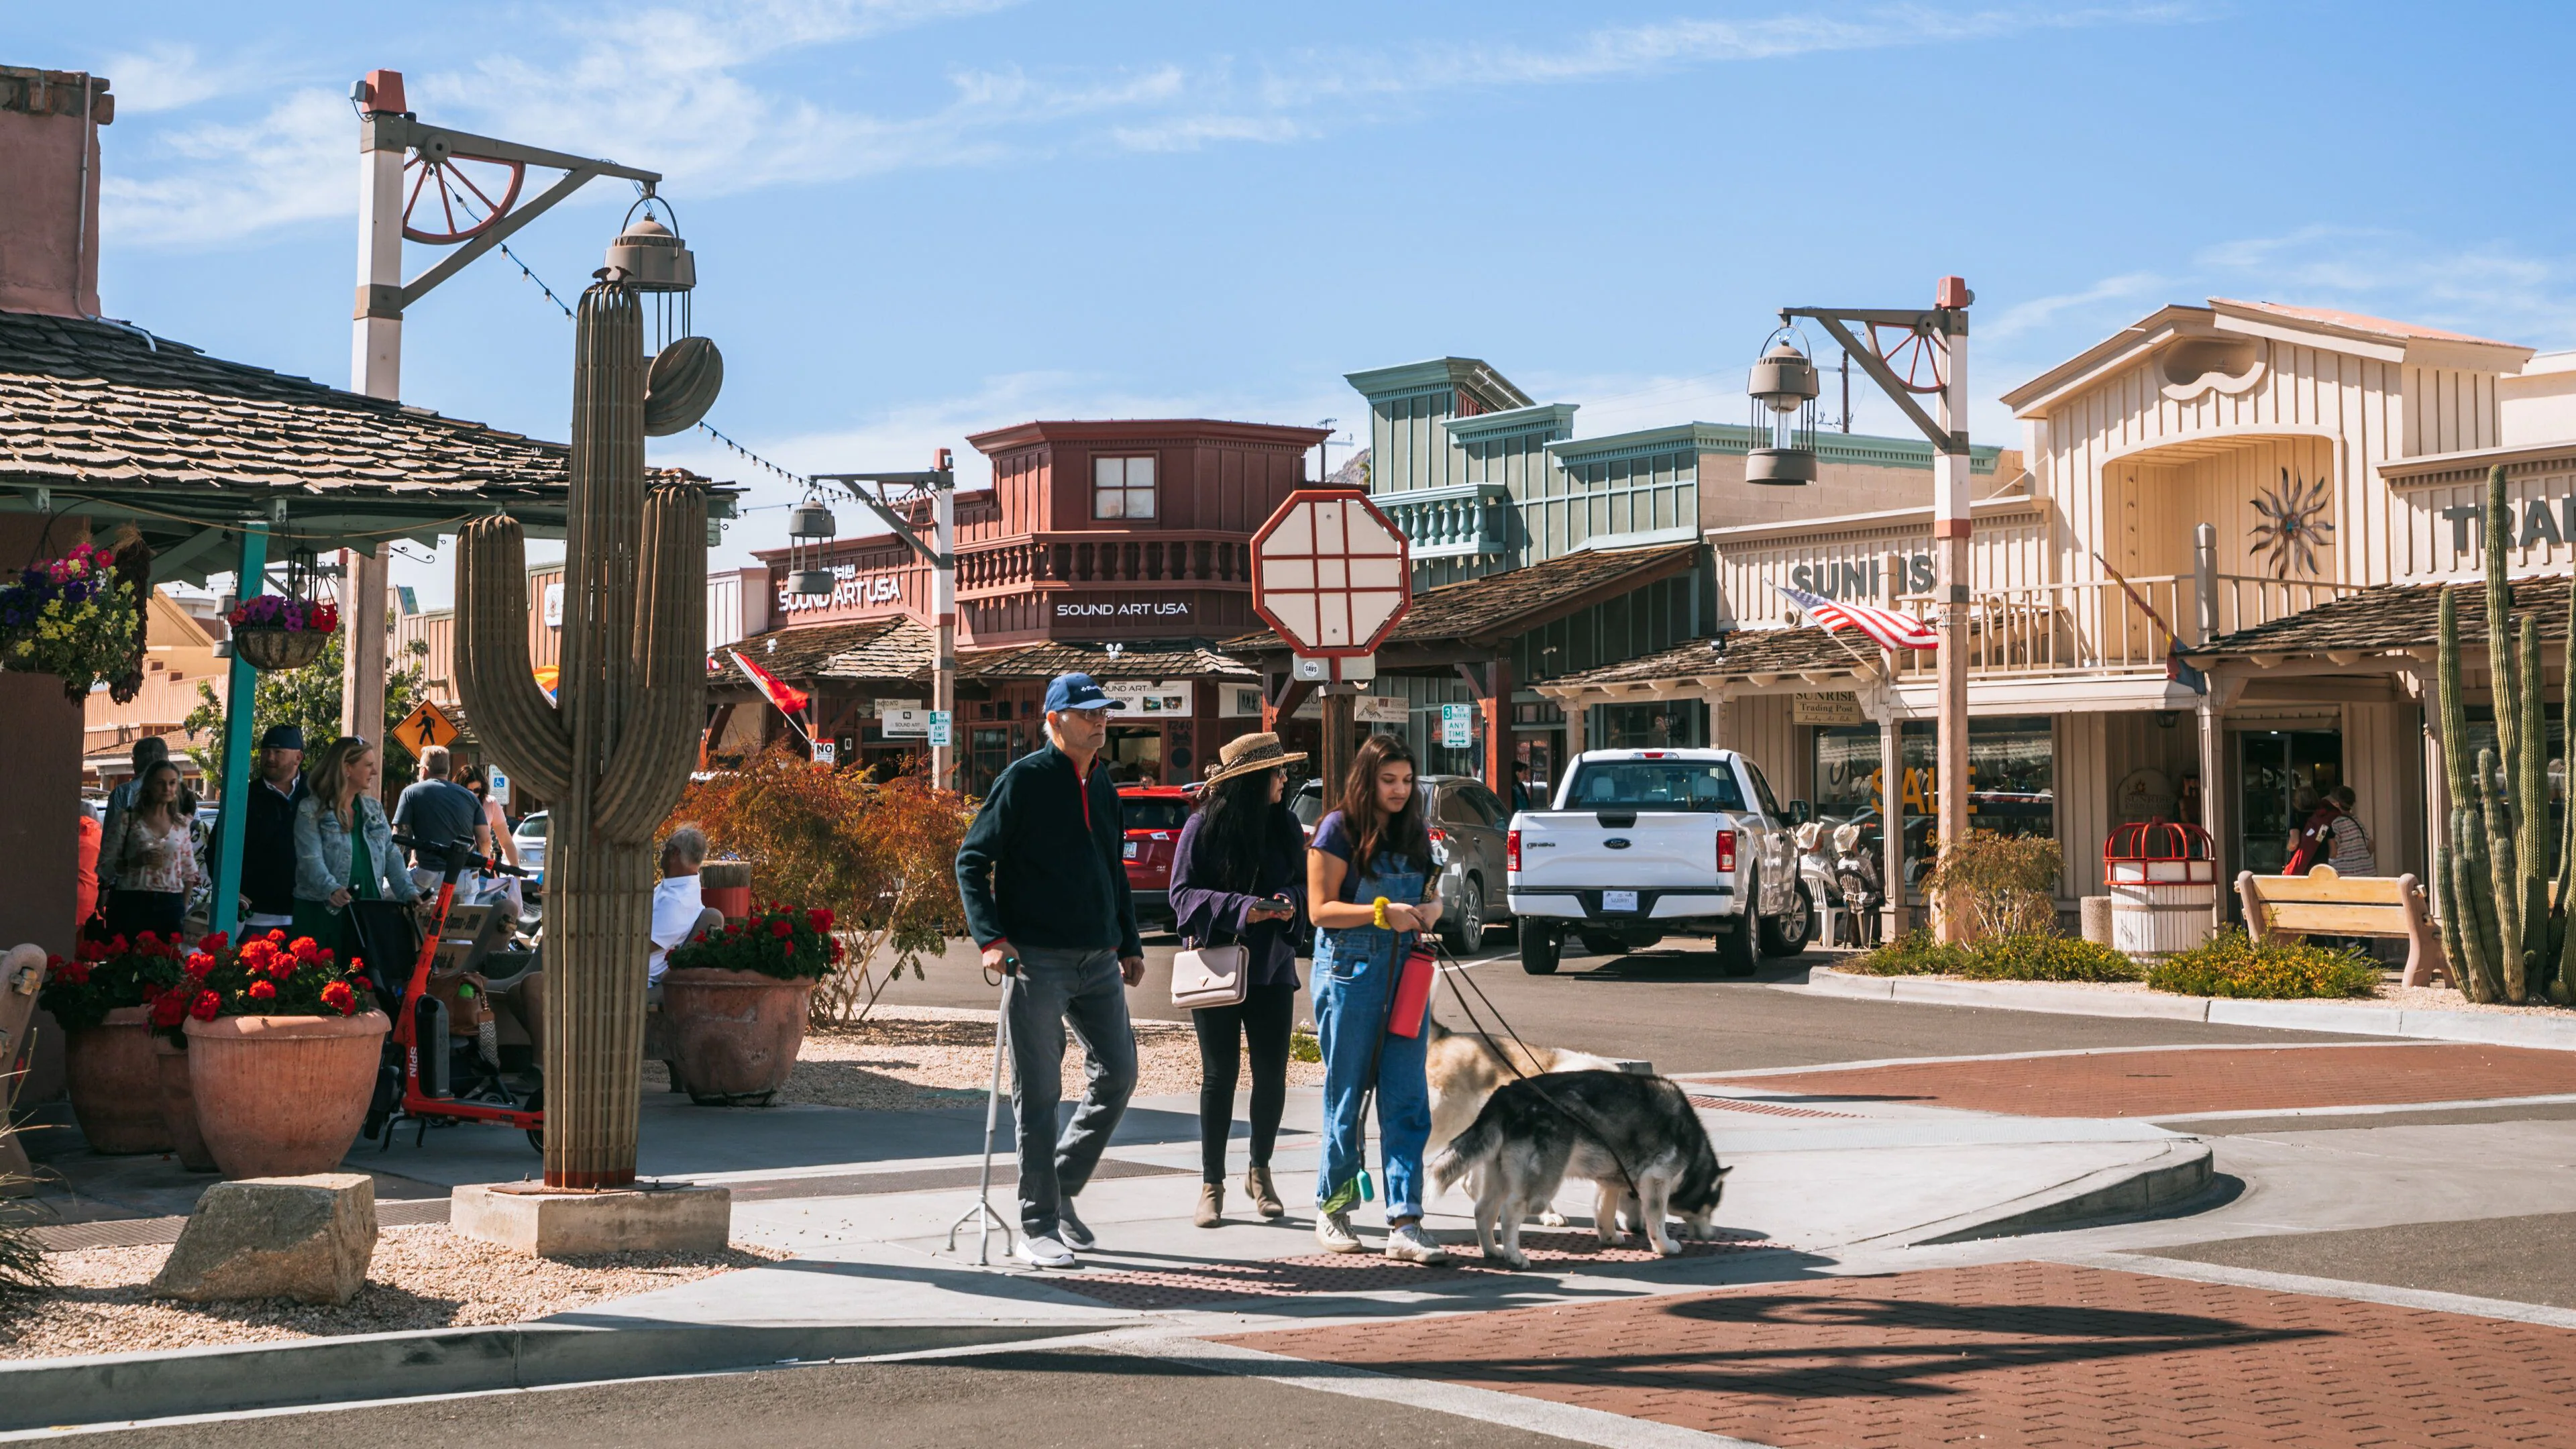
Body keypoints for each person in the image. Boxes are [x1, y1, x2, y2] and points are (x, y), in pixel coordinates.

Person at [954, 672, 1144, 1271]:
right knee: (1038, 1094)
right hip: (1035, 959)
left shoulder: (1106, 784)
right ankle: (1036, 1226)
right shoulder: (1025, 780)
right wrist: (990, 939)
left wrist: (1131, 942)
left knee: (1119, 1074)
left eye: (1104, 712)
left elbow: (1113, 871)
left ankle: (1057, 1192)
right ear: (1055, 719)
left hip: (1099, 958)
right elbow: (972, 860)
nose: (1101, 720)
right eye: (1088, 713)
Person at [1307, 733, 1448, 1263]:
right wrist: (1379, 913)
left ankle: (1405, 1222)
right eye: (1388, 780)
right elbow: (1320, 911)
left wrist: (1431, 911)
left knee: (1407, 1096)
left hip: (1406, 971)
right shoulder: (1337, 829)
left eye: (1407, 781)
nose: (1399, 790)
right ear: (1366, 779)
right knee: (1348, 1095)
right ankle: (1333, 1208)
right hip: (1350, 969)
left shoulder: (1414, 831)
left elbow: (1432, 894)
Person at [1168, 731, 1308, 1229]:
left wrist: (1287, 904)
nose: (1284, 779)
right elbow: (1181, 898)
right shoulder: (1202, 828)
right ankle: (1212, 1183)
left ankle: (1260, 1171)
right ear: (1253, 780)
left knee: (1271, 1074)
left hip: (1271, 968)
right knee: (1218, 1076)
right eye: (1277, 772)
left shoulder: (1286, 825)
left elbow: (1303, 886)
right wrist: (1246, 909)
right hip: (1217, 972)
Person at [292, 735, 418, 963]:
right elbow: (309, 858)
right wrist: (331, 889)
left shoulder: (373, 809)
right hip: (323, 912)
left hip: (368, 909)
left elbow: (391, 855)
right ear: (347, 768)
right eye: (369, 765)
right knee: (322, 988)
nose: (375, 772)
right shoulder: (311, 808)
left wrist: (408, 892)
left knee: (363, 985)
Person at [99, 759, 202, 938]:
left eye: (172, 783)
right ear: (148, 786)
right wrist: (134, 862)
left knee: (165, 964)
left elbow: (190, 873)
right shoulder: (127, 820)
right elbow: (105, 867)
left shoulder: (180, 825)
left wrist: (181, 910)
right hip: (131, 903)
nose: (166, 789)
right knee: (128, 962)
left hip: (170, 905)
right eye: (160, 783)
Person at [232, 724, 307, 933]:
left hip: (306, 912)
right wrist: (234, 892)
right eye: (265, 752)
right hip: (256, 917)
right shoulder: (245, 796)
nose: (270, 758)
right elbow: (220, 848)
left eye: (278, 752)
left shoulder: (316, 794)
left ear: (298, 757)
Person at [392, 745, 484, 895]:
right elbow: (485, 839)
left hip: (427, 877)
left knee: (381, 894)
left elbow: (399, 840)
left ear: (424, 770)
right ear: (447, 770)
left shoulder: (411, 793)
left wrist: (390, 873)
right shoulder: (469, 797)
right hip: (466, 878)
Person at [96, 735, 168, 895]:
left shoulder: (122, 793)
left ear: (135, 761)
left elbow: (111, 847)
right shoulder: (183, 795)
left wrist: (105, 887)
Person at [454, 763, 525, 924]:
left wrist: (516, 873)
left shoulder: (490, 804)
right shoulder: (453, 802)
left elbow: (506, 842)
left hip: (481, 868)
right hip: (456, 865)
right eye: (468, 790)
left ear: (483, 789)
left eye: (477, 791)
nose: (473, 795)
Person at [1831, 822, 1882, 949]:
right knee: (1881, 898)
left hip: (1850, 900)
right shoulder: (1864, 863)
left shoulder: (1841, 864)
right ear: (1854, 843)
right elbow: (1874, 885)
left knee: (1861, 899)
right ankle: (1874, 939)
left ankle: (1856, 937)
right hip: (1865, 900)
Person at [2284, 786, 2339, 876]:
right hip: (2321, 870)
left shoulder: (2296, 816)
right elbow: (2333, 852)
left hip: (2301, 869)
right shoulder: (2323, 818)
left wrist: (2288, 848)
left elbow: (2294, 842)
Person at [2326, 786, 2377, 877]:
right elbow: (2371, 845)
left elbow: (2333, 851)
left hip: (2347, 876)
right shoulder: (2355, 820)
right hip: (2367, 873)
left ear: (2336, 804)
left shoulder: (2335, 822)